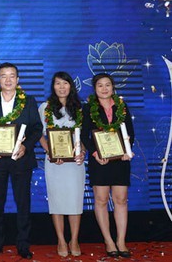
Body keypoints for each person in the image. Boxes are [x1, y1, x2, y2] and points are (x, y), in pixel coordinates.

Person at [0, 62, 43, 260]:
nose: (8, 80)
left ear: (18, 79)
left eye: (12, 76)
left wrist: (26, 146)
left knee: (23, 203)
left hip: (21, 159)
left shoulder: (28, 101)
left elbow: (36, 129)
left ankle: (23, 245)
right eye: (3, 76)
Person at [81, 73, 134, 258]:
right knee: (101, 200)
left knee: (121, 200)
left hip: (120, 161)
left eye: (108, 85)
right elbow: (83, 136)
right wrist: (95, 154)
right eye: (100, 86)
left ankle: (121, 240)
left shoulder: (122, 106)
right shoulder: (88, 108)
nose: (104, 89)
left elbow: (130, 133)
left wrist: (127, 150)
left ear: (113, 87)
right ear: (95, 89)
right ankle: (108, 240)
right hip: (99, 161)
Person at [37, 71, 85, 257]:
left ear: (71, 86)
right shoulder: (45, 107)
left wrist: (83, 151)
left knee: (74, 201)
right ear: (53, 86)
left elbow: (86, 135)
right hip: (54, 162)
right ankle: (61, 240)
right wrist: (49, 150)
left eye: (65, 83)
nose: (62, 87)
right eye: (58, 83)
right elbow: (39, 134)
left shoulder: (81, 108)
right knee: (57, 201)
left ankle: (74, 239)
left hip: (75, 163)